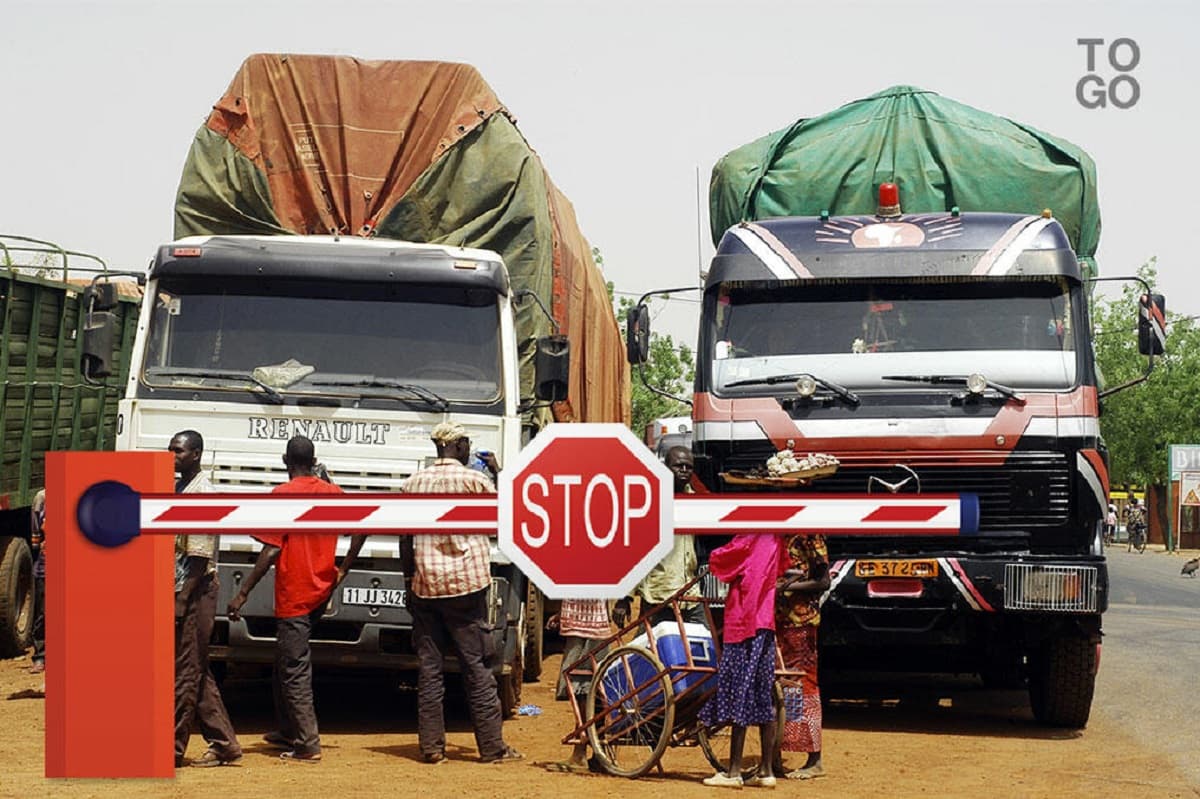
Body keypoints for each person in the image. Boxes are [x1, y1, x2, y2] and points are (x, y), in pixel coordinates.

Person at [226, 435, 366, 763]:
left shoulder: (283, 494)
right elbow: (362, 528)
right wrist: (342, 570)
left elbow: (272, 548)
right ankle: (287, 729)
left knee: (293, 667)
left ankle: (306, 743)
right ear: (314, 461)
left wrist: (243, 592)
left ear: (285, 461)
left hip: (295, 594)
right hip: (322, 588)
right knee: (285, 660)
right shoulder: (332, 493)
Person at [400, 421, 521, 765]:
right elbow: (504, 515)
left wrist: (409, 580)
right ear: (459, 446)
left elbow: (405, 540)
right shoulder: (475, 480)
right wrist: (498, 472)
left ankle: (432, 748)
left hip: (425, 587)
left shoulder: (412, 484)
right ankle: (492, 747)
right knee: (476, 668)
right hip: (467, 588)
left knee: (430, 669)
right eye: (466, 444)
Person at [170, 430, 243, 768]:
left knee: (186, 671)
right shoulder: (178, 488)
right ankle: (224, 744)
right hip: (182, 588)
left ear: (196, 454)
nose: (172, 456)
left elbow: (198, 558)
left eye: (179, 451)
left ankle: (171, 748)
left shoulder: (203, 494)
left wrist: (182, 600)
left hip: (196, 590)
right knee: (195, 669)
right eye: (170, 449)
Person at [699, 532, 786, 789]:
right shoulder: (775, 539)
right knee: (762, 693)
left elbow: (721, 560)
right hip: (765, 624)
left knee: (739, 691)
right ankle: (766, 771)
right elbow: (781, 567)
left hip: (743, 622)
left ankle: (733, 772)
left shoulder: (749, 537)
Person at [612, 446, 704, 628]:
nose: (684, 471)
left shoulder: (695, 501)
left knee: (703, 645)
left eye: (688, 467)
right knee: (653, 648)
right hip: (659, 594)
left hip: (690, 593)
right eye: (679, 466)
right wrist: (625, 598)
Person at [773, 533, 830, 780]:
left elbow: (823, 581)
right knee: (783, 687)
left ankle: (815, 759)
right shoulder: (778, 533)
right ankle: (776, 753)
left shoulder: (809, 534)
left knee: (805, 686)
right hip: (778, 620)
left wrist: (787, 587)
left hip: (802, 622)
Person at [544, 598, 612, 774]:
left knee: (581, 689)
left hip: (586, 627)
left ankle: (581, 753)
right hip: (589, 623)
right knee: (591, 689)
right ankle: (598, 752)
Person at [28, 490, 46, 676]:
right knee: (44, 612)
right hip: (46, 565)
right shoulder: (42, 498)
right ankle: (40, 656)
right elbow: (35, 535)